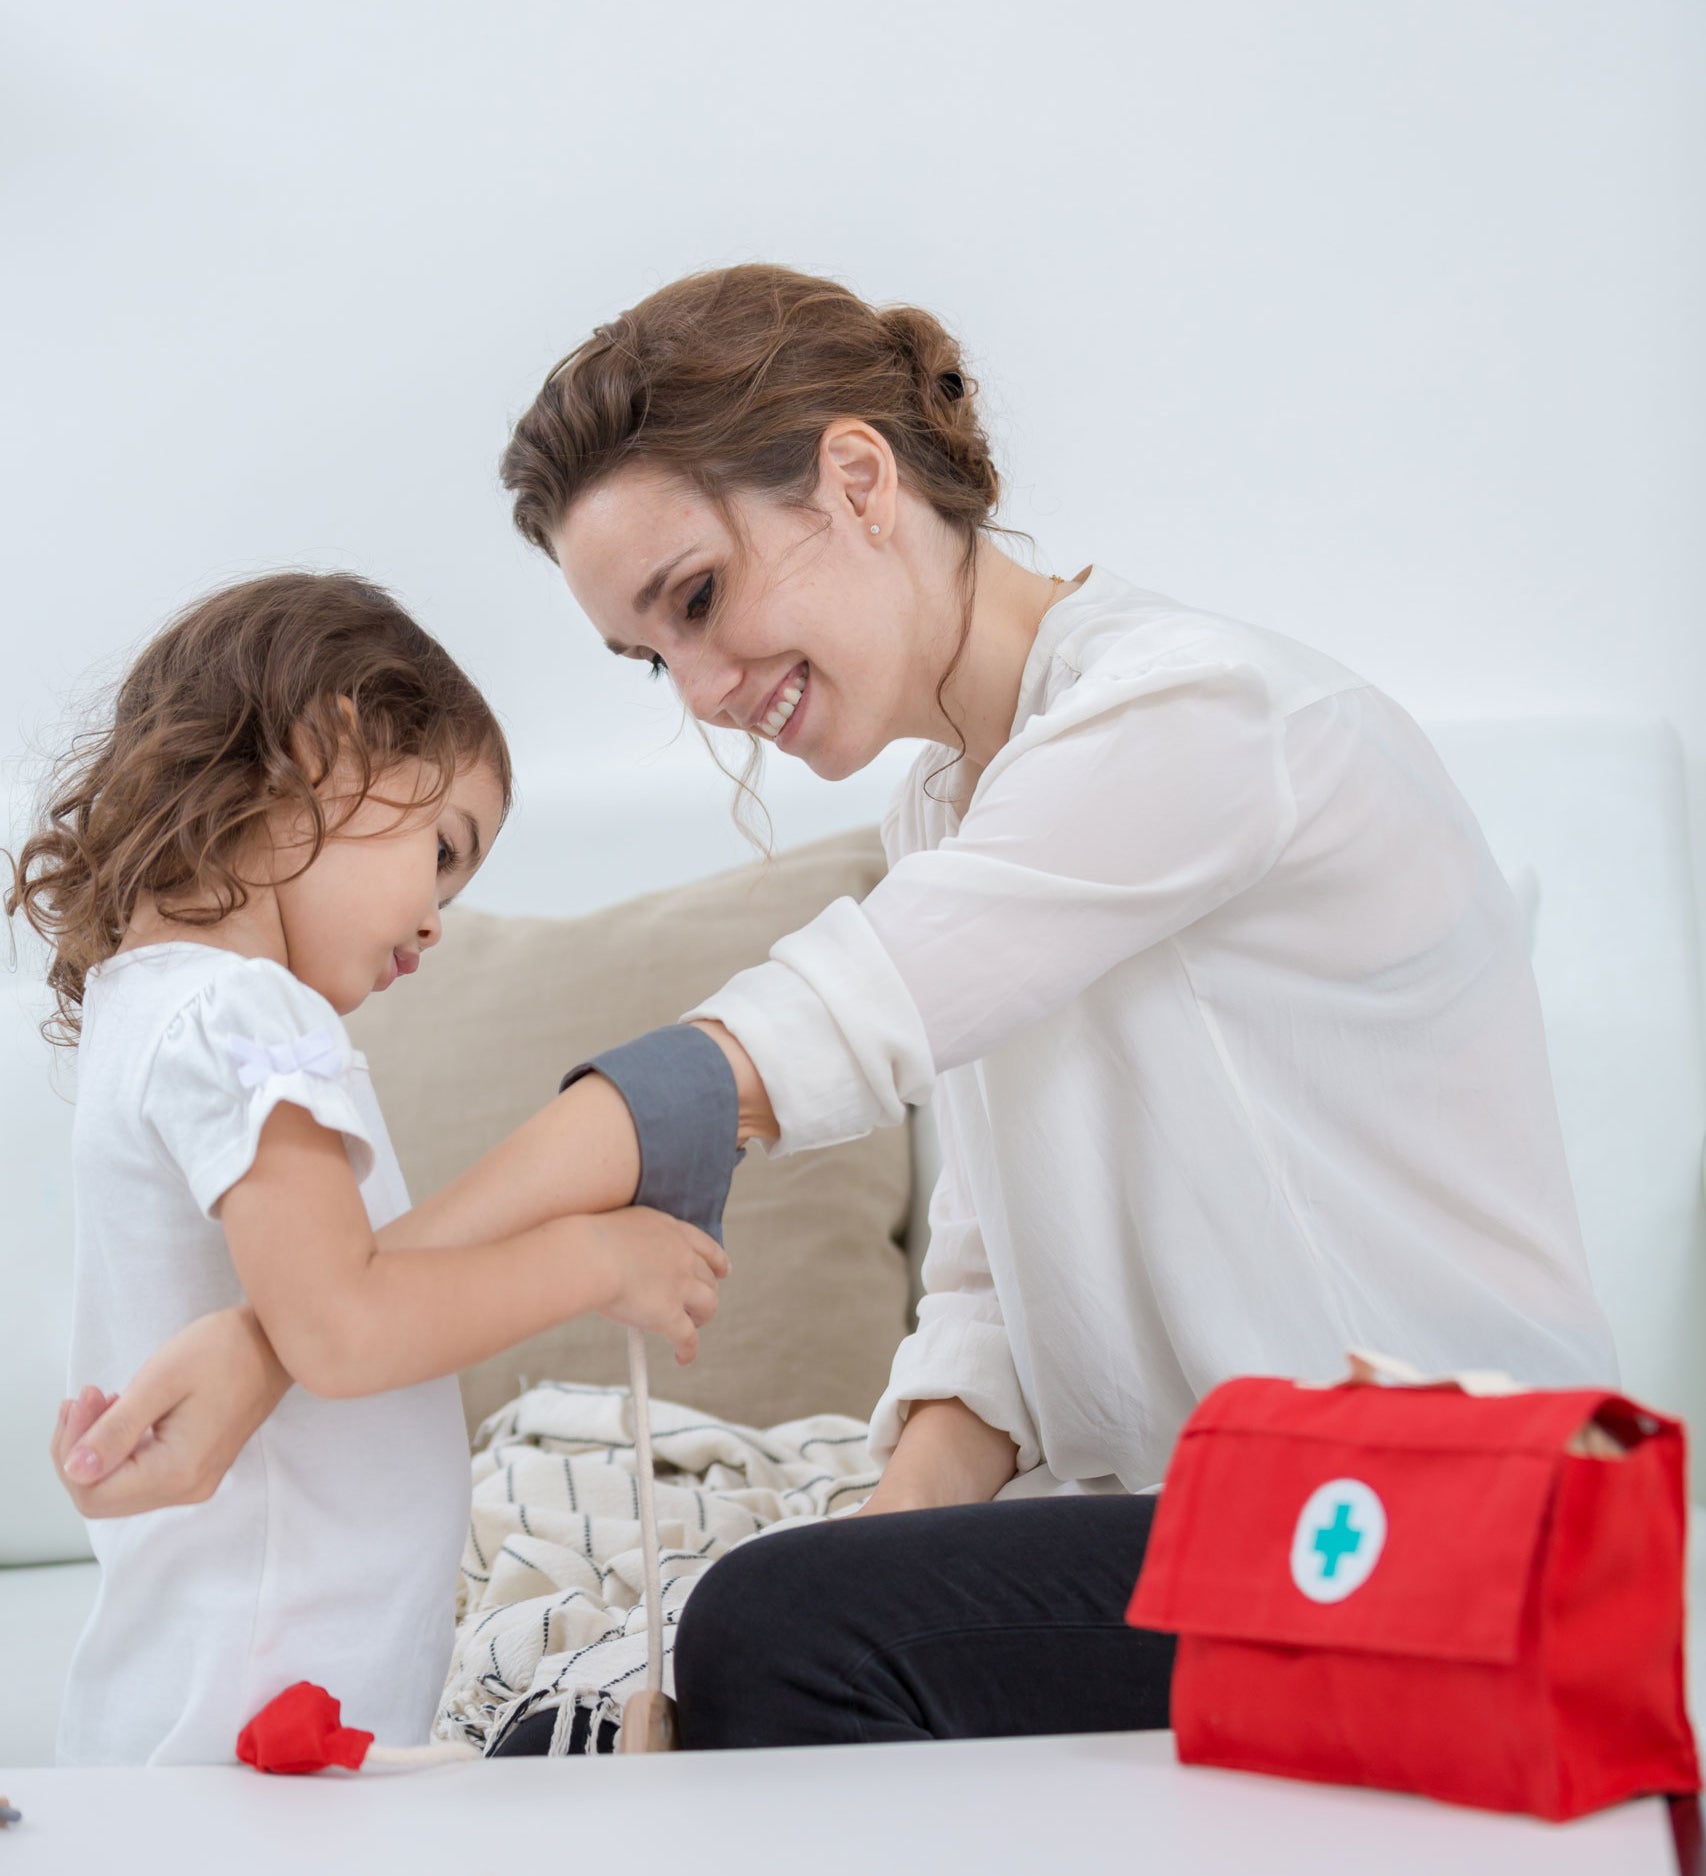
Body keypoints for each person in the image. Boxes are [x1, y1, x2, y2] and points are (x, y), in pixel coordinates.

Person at [52, 266, 1618, 1752]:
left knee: (768, 1640)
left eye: (699, 595)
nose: (701, 689)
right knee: (672, 1673)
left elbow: (781, 1045)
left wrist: (284, 1336)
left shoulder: (1193, 718)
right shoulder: (949, 815)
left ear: (857, 480)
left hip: (1435, 1522)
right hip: (1219, 1526)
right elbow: (999, 1302)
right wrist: (873, 1561)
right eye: (648, 654)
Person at [9, 572, 729, 1763]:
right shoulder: (246, 1012)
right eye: (442, 850)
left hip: (232, 1681)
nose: (440, 917)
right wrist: (592, 1254)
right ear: (324, 744)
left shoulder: (157, 1010)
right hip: (267, 1694)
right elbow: (340, 1326)